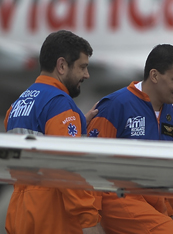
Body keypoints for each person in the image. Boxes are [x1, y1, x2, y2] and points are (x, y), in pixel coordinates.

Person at [86, 44, 173, 234]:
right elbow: (91, 165)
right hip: (117, 199)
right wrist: (91, 220)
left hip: (154, 205)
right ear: (155, 76)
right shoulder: (115, 105)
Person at [4, 30, 104, 234]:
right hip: (51, 218)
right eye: (82, 67)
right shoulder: (59, 104)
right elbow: (68, 167)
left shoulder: (18, 105)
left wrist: (76, 125)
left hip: (20, 214)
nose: (86, 75)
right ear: (62, 65)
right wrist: (89, 214)